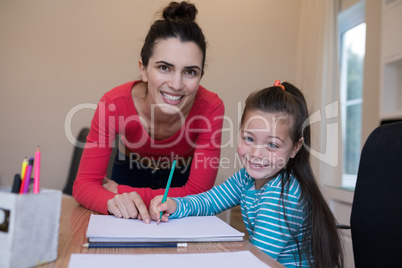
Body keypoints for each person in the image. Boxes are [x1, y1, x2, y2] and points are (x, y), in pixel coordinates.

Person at [149, 81, 344, 268]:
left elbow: (255, 261)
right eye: (249, 138)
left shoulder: (283, 196)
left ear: (295, 148)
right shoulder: (247, 178)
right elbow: (210, 201)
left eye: (272, 144)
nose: (257, 154)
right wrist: (176, 205)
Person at [73, 1, 224, 223]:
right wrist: (111, 200)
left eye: (190, 72)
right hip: (129, 170)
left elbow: (199, 193)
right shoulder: (113, 103)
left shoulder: (211, 108)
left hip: (180, 179)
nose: (176, 84)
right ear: (143, 69)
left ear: (201, 75)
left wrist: (119, 192)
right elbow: (84, 184)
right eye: (164, 67)